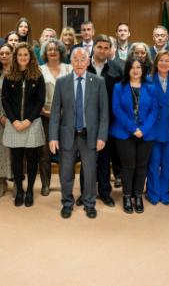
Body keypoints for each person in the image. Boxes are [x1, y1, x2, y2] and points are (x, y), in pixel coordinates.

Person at [49, 47, 109, 219]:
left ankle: (90, 203)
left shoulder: (98, 82)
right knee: (66, 172)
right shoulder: (62, 82)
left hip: (89, 135)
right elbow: (54, 113)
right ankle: (67, 203)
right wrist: (53, 137)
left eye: (83, 59)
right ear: (71, 62)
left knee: (90, 172)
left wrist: (101, 136)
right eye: (76, 59)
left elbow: (104, 113)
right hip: (67, 135)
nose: (80, 63)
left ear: (88, 61)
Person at [111, 57, 157, 214]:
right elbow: (117, 109)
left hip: (146, 133)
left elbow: (154, 110)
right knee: (128, 166)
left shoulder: (151, 88)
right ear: (127, 70)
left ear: (143, 69)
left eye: (139, 67)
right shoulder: (119, 87)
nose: (136, 70)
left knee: (142, 166)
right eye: (132, 67)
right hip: (124, 132)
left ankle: (138, 196)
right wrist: (133, 128)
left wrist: (143, 129)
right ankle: (126, 195)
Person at [2, 43, 46, 207]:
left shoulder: (37, 75)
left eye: (25, 55)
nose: (22, 58)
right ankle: (19, 190)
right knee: (17, 160)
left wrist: (28, 120)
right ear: (16, 57)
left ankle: (29, 192)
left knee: (32, 159)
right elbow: (5, 100)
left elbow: (40, 100)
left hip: (32, 123)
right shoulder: (9, 76)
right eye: (19, 55)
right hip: (14, 124)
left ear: (30, 57)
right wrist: (14, 120)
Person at [86, 34, 123, 206]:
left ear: (110, 50)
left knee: (104, 159)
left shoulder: (116, 69)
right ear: (93, 47)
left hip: (108, 121)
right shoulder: (83, 66)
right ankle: (86, 192)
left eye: (106, 48)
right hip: (87, 121)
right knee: (88, 158)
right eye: (99, 47)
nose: (102, 50)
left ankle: (105, 192)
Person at [39, 38, 72, 196]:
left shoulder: (69, 69)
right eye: (49, 49)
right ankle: (45, 184)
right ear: (45, 53)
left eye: (55, 49)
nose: (52, 52)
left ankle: (63, 183)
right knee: (45, 153)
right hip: (45, 116)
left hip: (65, 117)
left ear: (61, 52)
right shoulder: (39, 70)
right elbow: (35, 95)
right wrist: (41, 110)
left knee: (65, 152)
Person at [146, 50, 169, 206]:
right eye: (161, 61)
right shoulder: (148, 80)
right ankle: (153, 192)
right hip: (153, 128)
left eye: (167, 61)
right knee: (153, 163)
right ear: (156, 63)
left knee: (167, 163)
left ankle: (165, 193)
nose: (164, 63)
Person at [0, 43, 14, 197]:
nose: (4, 56)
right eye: (1, 54)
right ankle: (2, 183)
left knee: (16, 152)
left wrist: (13, 117)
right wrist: (0, 115)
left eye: (7, 53)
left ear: (12, 54)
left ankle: (17, 182)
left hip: (16, 117)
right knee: (0, 150)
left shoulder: (18, 71)